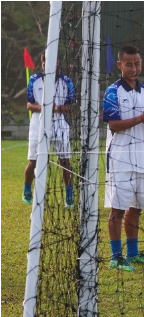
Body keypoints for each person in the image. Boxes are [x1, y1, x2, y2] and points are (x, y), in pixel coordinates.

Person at [103, 45, 144, 271]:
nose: (134, 68)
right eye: (129, 64)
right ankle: (116, 257)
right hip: (120, 158)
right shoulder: (112, 91)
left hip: (141, 157)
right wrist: (141, 117)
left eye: (137, 64)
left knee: (136, 207)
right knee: (117, 208)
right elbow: (113, 125)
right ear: (119, 65)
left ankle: (133, 253)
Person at [24, 53, 76, 208]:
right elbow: (29, 105)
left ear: (58, 62)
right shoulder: (34, 80)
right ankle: (27, 189)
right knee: (33, 161)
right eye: (46, 62)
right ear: (42, 63)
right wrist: (45, 108)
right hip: (38, 125)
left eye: (54, 61)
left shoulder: (67, 81)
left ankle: (69, 195)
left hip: (60, 125)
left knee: (65, 161)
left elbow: (69, 105)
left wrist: (58, 108)